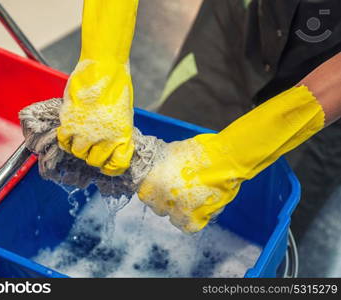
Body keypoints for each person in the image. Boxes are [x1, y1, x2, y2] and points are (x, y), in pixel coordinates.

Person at [56, 0, 341, 235]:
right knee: (163, 174)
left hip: (330, 87)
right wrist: (103, 59)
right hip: (241, 25)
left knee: (272, 213)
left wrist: (235, 155)